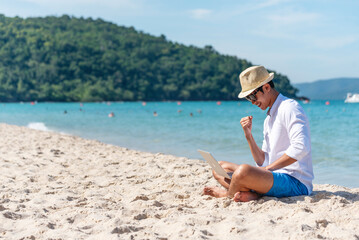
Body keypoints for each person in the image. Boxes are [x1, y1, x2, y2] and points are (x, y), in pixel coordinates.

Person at [204, 65, 314, 202]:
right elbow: (262, 160)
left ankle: (227, 195)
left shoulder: (290, 108)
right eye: (248, 98)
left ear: (266, 87)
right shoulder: (269, 119)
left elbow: (301, 147)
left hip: (295, 181)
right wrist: (248, 136)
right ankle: (253, 193)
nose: (252, 102)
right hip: (273, 176)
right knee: (219, 167)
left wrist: (267, 169)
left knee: (243, 171)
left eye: (252, 96)